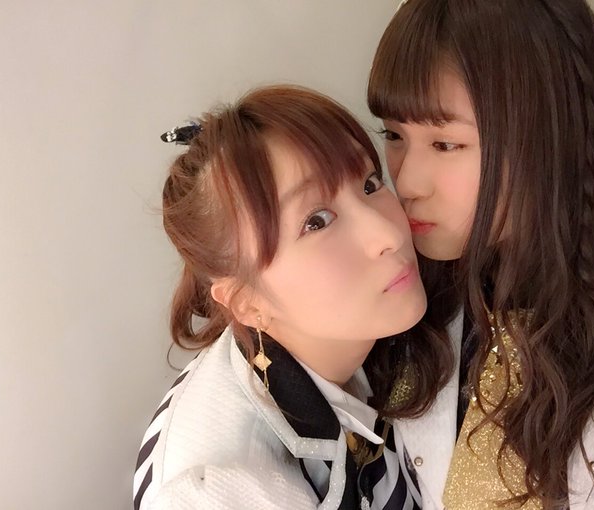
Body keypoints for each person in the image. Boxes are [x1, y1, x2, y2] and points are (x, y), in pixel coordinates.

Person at [367, 1, 594, 508]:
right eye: (394, 135)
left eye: (445, 144)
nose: (407, 181)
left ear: (549, 134)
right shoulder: (409, 286)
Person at [133, 85, 453, 510]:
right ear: (247, 303)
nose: (389, 234)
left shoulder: (358, 336)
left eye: (370, 183)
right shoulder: (221, 490)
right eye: (316, 221)